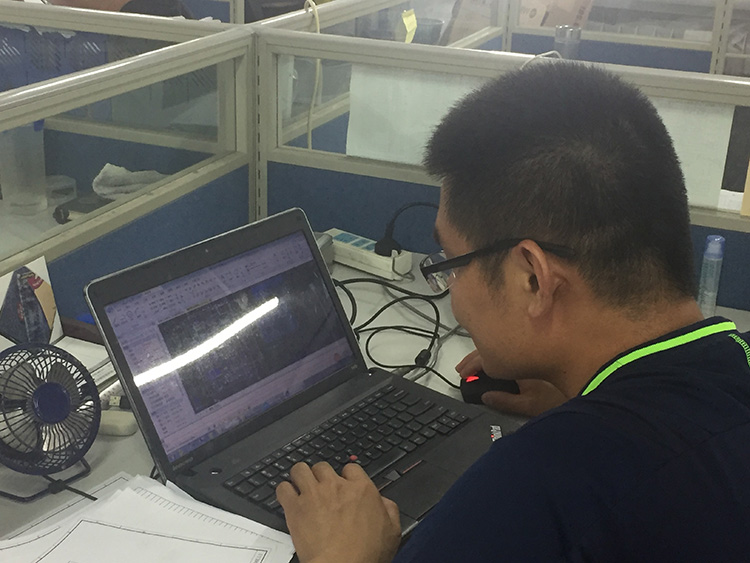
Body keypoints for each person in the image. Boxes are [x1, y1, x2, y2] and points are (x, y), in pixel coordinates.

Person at [275, 62, 750, 562]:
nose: (453, 296)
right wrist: (581, 398)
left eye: (451, 265)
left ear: (533, 279)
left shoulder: (529, 492)